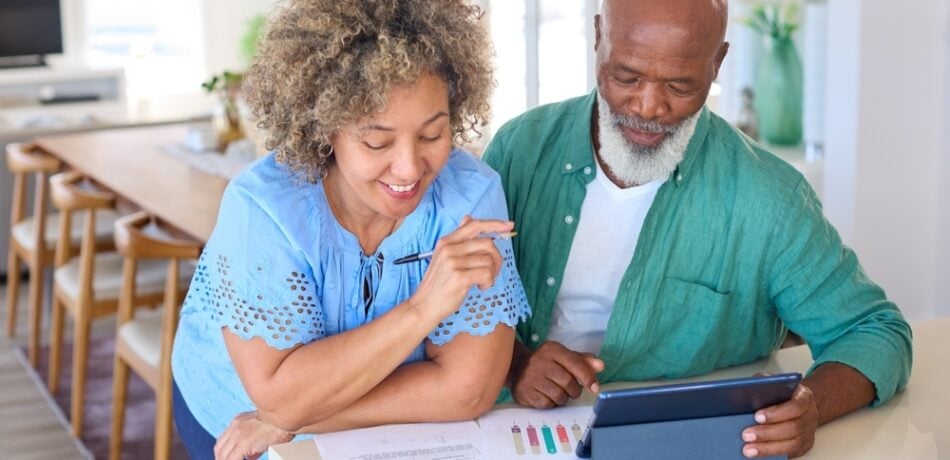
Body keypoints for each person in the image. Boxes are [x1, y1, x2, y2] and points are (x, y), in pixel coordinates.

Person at [482, 0, 912, 458]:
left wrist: (811, 405)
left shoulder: (769, 196)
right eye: (626, 77)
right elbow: (450, 308)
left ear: (717, 62)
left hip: (688, 441)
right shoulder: (519, 150)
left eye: (680, 85)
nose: (649, 107)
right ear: (597, 38)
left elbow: (878, 332)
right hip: (513, 429)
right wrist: (515, 364)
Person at [170, 1, 530, 458]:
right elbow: (279, 394)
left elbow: (467, 391)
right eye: (377, 140)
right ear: (325, 128)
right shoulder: (262, 208)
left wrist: (289, 416)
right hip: (231, 418)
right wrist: (425, 307)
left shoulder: (471, 198)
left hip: (347, 425)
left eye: (432, 135)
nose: (409, 167)